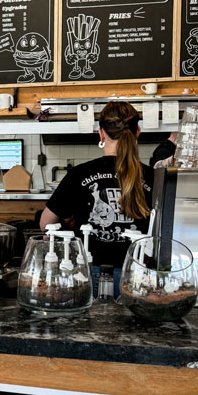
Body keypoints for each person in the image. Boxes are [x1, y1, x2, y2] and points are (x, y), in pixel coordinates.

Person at [40, 102, 153, 295]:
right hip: (137, 277)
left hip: (85, 274)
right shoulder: (152, 177)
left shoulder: (78, 174)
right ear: (137, 132)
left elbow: (46, 223)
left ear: (101, 134)